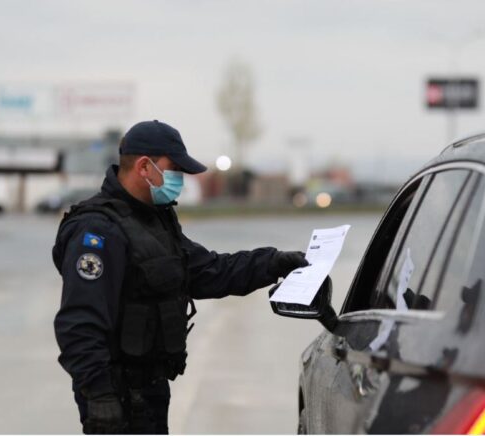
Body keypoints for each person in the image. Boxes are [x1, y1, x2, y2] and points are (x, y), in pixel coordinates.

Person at [52, 120, 308, 434]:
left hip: (151, 391)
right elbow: (79, 322)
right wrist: (99, 395)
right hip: (115, 397)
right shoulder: (97, 231)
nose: (180, 180)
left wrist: (272, 263)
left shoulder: (155, 221)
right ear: (145, 167)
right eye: (173, 169)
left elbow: (209, 271)